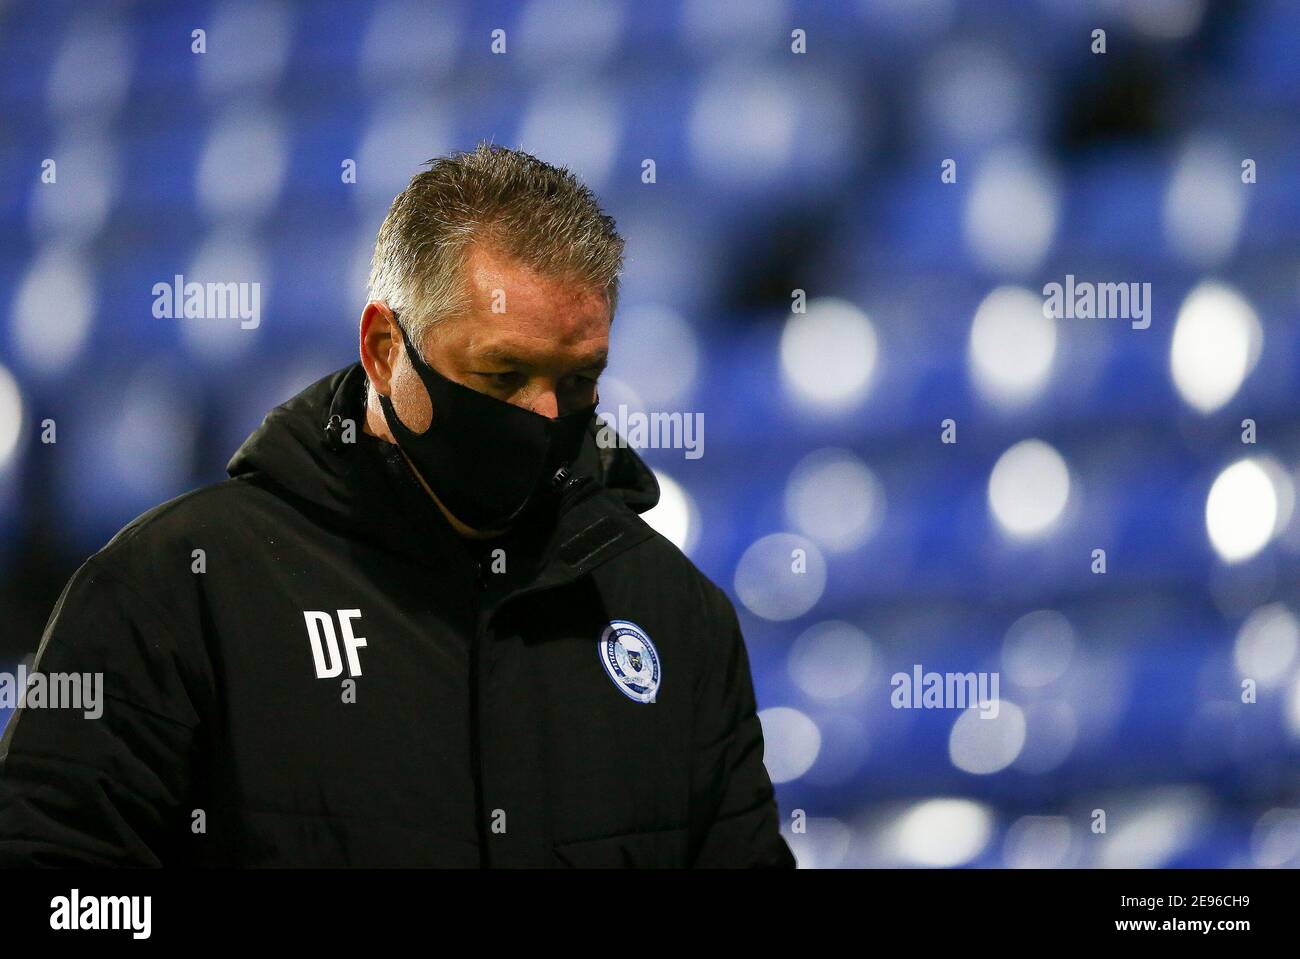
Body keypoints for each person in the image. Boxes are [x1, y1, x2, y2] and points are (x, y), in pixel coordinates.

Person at [0, 144, 796, 868]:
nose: (546, 418)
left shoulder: (674, 615)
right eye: (501, 375)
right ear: (385, 349)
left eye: (577, 381)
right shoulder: (178, 591)